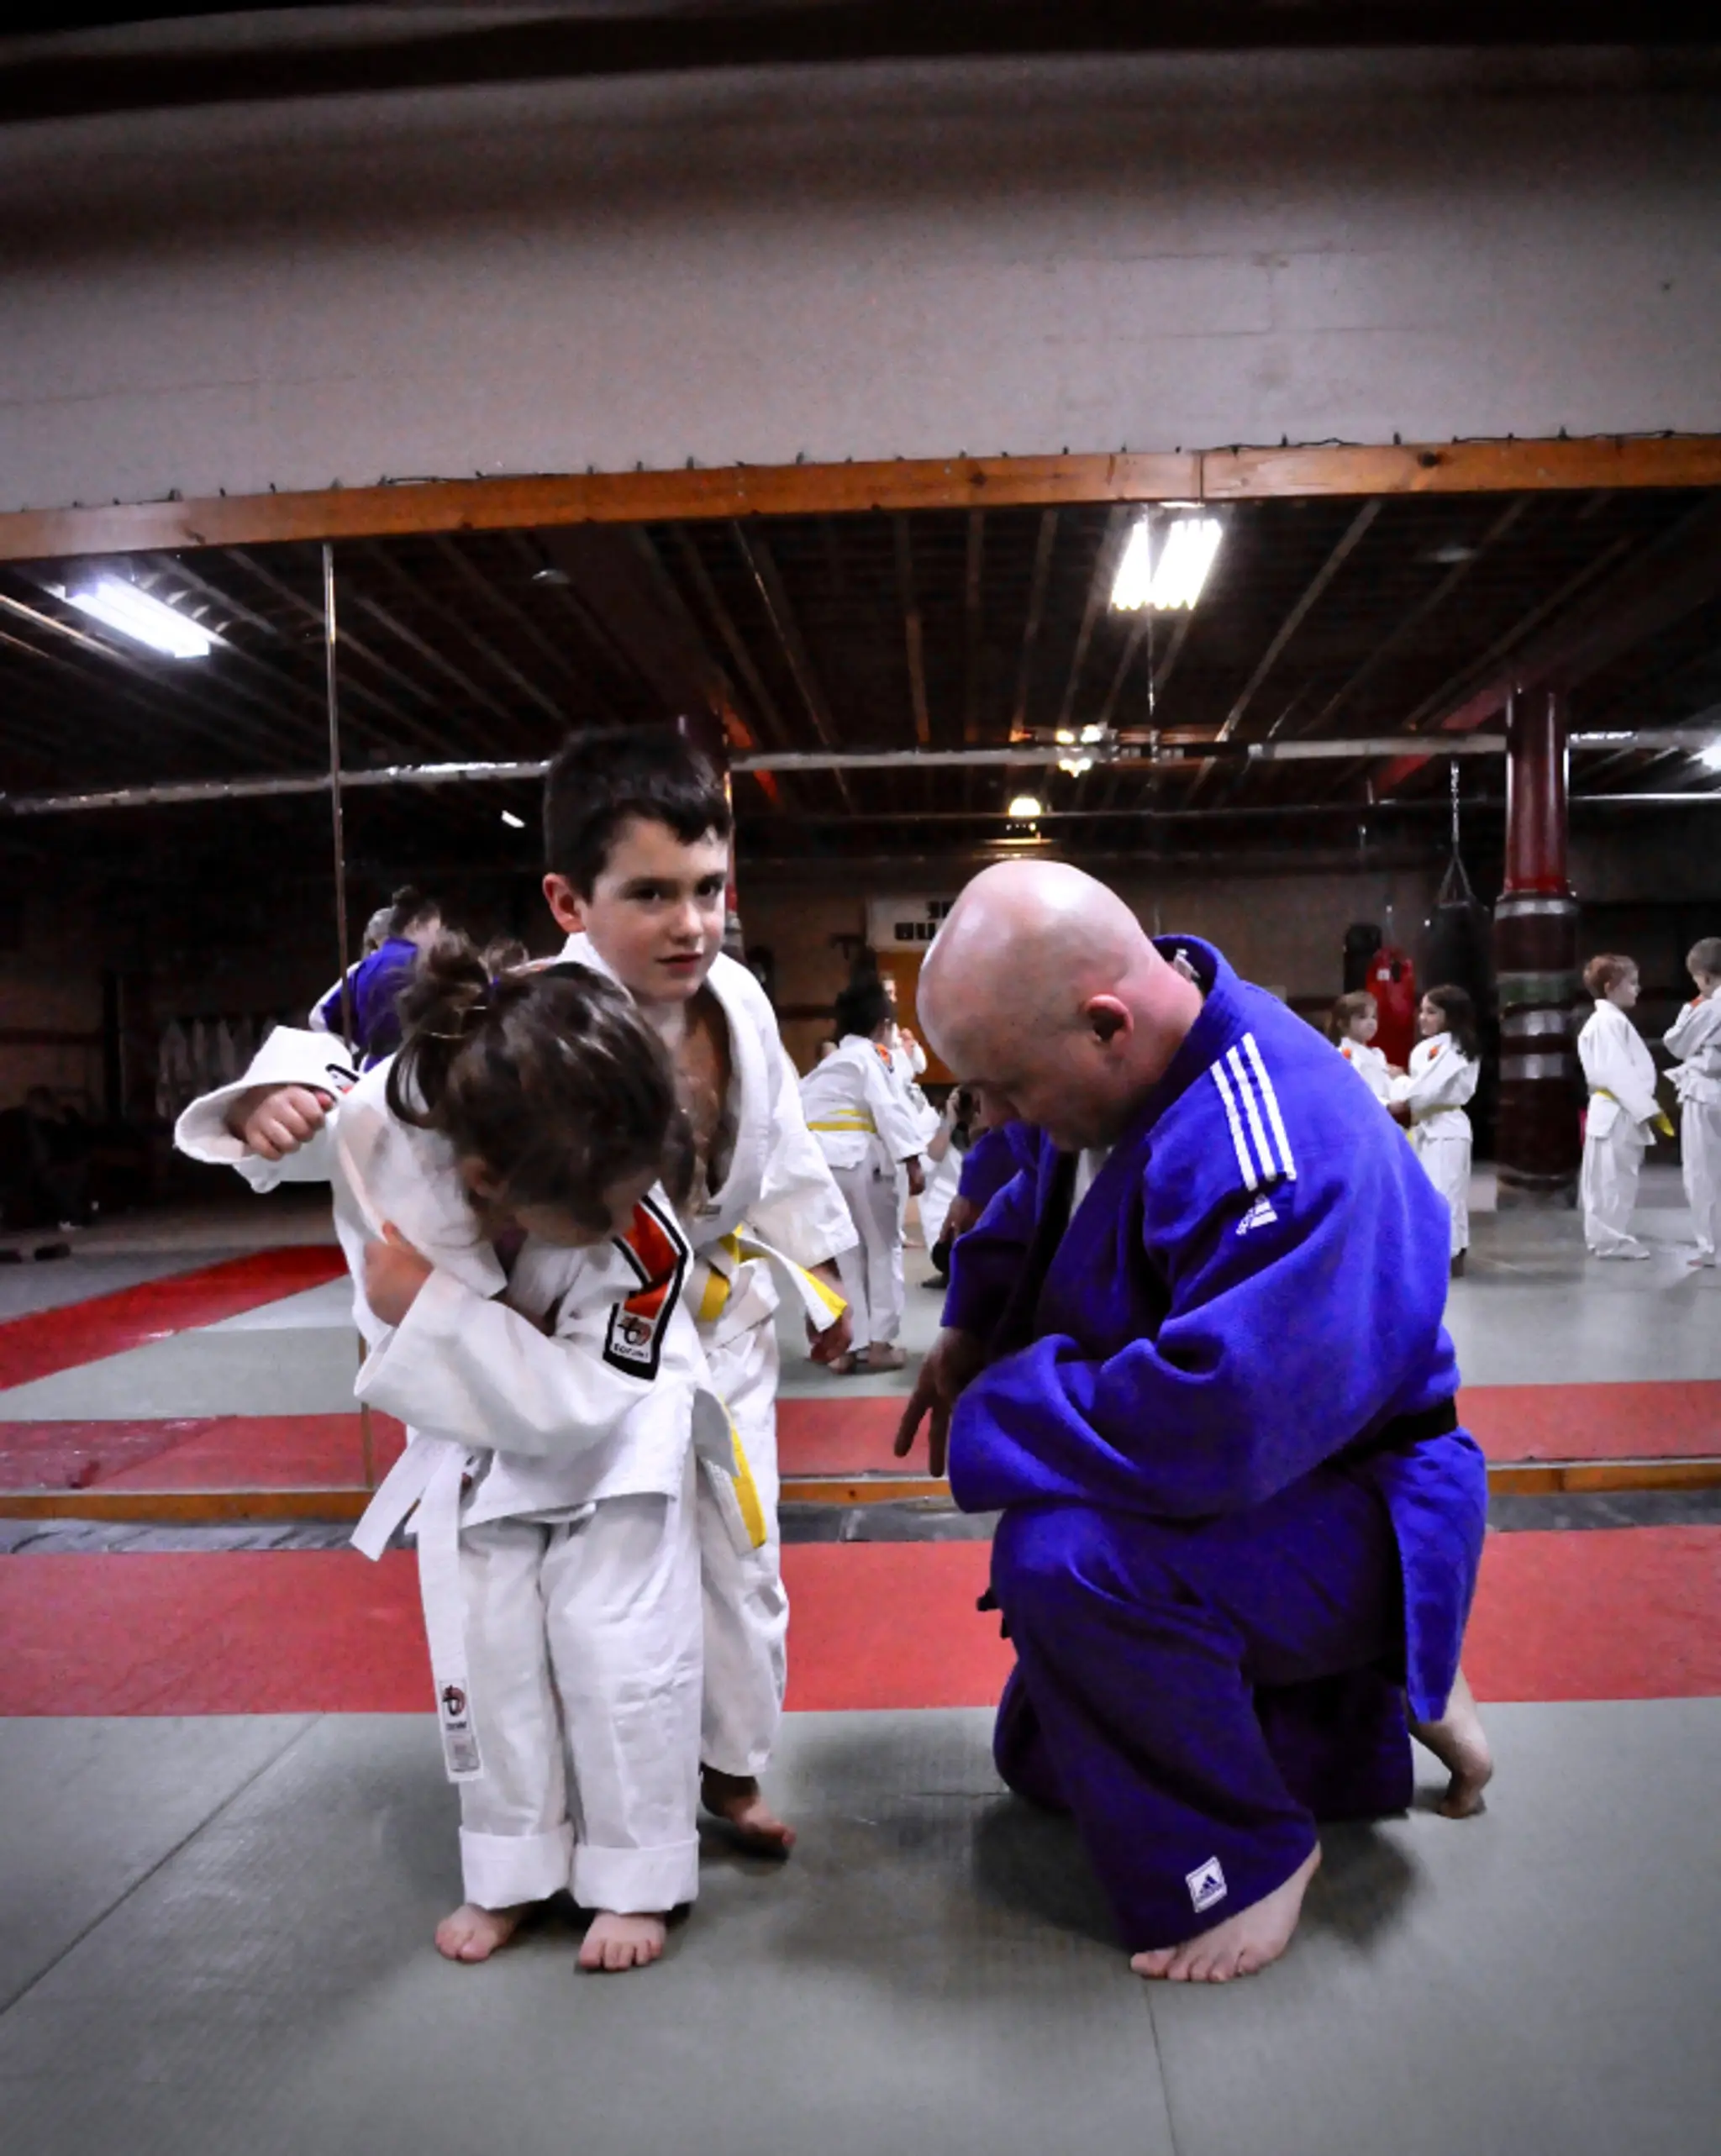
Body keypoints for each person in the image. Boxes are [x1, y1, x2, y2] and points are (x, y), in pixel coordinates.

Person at [200, 728, 855, 1853]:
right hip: (570, 1348)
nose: (692, 924)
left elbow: (783, 1142)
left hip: (720, 1333)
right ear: (568, 899)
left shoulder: (738, 1000)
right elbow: (369, 1062)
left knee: (744, 1568)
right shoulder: (537, 1011)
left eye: (709, 890)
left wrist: (821, 1267)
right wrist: (269, 1099)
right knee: (582, 1616)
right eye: (651, 893)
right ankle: (578, 1825)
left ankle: (733, 1769)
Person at [893, 861, 1490, 1984]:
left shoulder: (1283, 1141)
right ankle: (1379, 1708)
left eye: (1008, 1086)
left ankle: (1254, 1854)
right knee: (1043, 1758)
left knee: (1064, 1560)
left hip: (1360, 1496)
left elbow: (1214, 1422)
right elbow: (1025, 1171)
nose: (1001, 1115)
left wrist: (1000, 1404)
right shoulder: (1109, 1058)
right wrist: (968, 1322)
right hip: (1275, 1483)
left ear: (1107, 1023)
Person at [178, 941, 724, 1973]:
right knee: (490, 1650)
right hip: (469, 1422)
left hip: (615, 1425)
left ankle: (636, 1869)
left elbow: (579, 1401)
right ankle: (513, 1868)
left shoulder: (638, 1215)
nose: (623, 1221)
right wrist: (264, 1105)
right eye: (596, 1212)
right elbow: (316, 1088)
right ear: (487, 1181)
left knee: (618, 1647)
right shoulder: (397, 1120)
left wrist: (420, 1306)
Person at [799, 978, 929, 1373]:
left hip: (823, 1163)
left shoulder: (830, 1064)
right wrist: (911, 1159)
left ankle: (848, 1346)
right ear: (882, 1024)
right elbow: (889, 1107)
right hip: (862, 1161)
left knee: (847, 1255)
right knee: (884, 1248)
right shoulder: (877, 1054)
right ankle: (881, 1344)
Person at [1576, 954, 1667, 1260]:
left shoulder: (1610, 1020)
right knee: (1611, 1180)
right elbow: (1618, 1072)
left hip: (1617, 1109)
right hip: (1617, 1108)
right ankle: (1610, 1240)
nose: (1637, 989)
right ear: (1610, 987)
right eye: (1632, 982)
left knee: (1615, 1178)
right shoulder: (1607, 1022)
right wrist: (1647, 1108)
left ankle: (1608, 1237)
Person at [1389, 985, 1481, 1278]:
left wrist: (1400, 1083)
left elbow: (1423, 1091)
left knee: (1446, 1194)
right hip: (1426, 1126)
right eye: (1422, 1011)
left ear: (1450, 1016)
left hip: (1447, 1127)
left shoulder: (1456, 1046)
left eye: (1432, 1012)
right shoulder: (1429, 1048)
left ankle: (1449, 1255)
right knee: (1430, 1194)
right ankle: (1442, 1253)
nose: (1422, 1018)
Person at [310, 886, 444, 1066]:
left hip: (372, 1072)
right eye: (435, 932)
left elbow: (323, 1017)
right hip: (414, 1069)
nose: (437, 941)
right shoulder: (426, 963)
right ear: (415, 926)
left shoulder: (362, 968)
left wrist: (347, 1058)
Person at [1665, 936, 1721, 1266]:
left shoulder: (1711, 1007)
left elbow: (1677, 1044)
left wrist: (1692, 1006)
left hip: (1707, 1093)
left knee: (1703, 1172)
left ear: (1706, 976)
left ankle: (1712, 1247)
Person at [1327, 991, 1399, 1105]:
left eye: (1374, 1017)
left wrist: (1398, 1080)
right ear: (1342, 1023)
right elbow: (1354, 1092)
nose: (1371, 1022)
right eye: (1362, 1017)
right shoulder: (1344, 1055)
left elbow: (1387, 1088)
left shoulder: (1377, 1054)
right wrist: (1387, 1105)